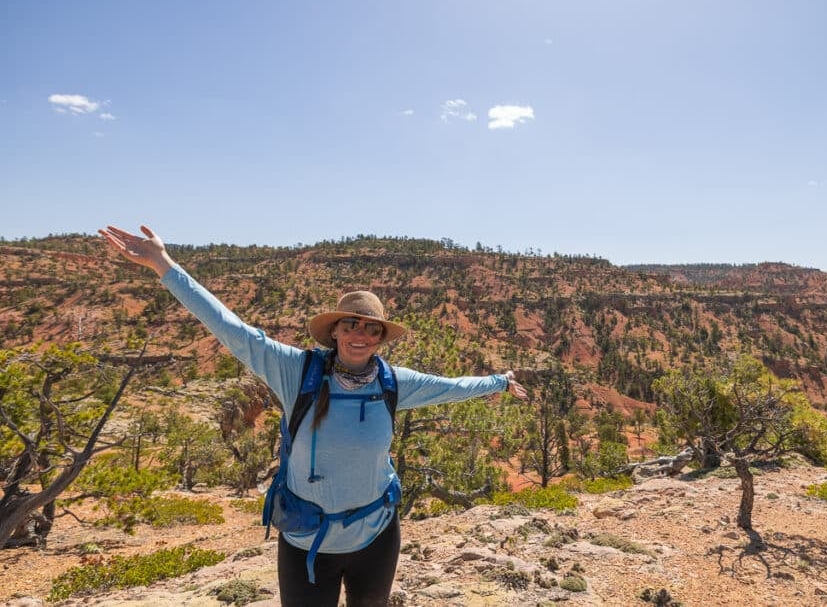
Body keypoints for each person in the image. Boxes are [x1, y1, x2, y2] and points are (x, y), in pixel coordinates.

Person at [99, 225, 527, 607]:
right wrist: (163, 263)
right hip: (307, 540)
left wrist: (500, 380)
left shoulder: (395, 383)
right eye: (352, 325)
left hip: (377, 533)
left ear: (380, 338)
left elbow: (453, 386)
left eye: (371, 329)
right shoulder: (296, 372)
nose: (360, 335)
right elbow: (231, 329)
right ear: (336, 330)